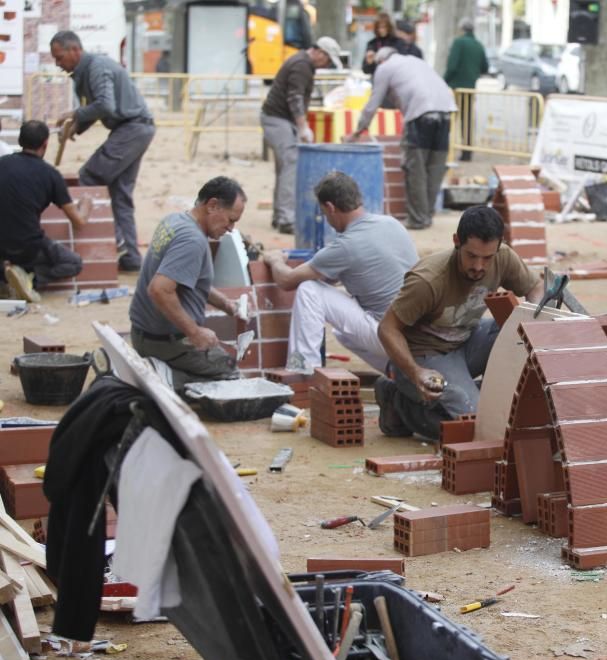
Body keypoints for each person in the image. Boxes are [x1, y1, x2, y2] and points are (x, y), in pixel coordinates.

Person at [375, 206, 545, 441]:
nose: (479, 266)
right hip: (426, 355)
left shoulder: (503, 256)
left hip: (467, 340)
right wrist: (416, 373)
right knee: (477, 424)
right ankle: (398, 402)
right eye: (471, 256)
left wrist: (536, 317)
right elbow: (387, 328)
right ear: (456, 241)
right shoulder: (428, 280)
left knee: (517, 331)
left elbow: (535, 287)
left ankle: (482, 393)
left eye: (487, 258)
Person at [261, 171, 418, 374]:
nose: (327, 220)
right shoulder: (391, 224)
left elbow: (286, 280)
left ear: (330, 207)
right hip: (418, 333)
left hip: (390, 335)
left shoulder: (345, 246)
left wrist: (274, 259)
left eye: (325, 214)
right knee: (342, 332)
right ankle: (396, 370)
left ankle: (303, 370)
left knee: (310, 290)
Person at [50, 30, 155, 272]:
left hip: (132, 128)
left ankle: (117, 241)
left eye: (59, 57)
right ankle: (130, 257)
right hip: (133, 129)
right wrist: (77, 127)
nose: (58, 64)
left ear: (75, 50)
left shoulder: (97, 67)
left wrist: (75, 115)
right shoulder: (80, 73)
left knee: (90, 175)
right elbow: (96, 108)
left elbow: (106, 105)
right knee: (120, 194)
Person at [129, 177, 247, 391]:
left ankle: (160, 371)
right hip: (165, 342)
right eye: (230, 220)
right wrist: (195, 332)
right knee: (230, 374)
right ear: (212, 206)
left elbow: (186, 278)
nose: (231, 228)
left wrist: (226, 304)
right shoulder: (193, 241)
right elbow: (159, 290)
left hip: (143, 334)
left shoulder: (174, 221)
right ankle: (164, 377)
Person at [348, 48, 457, 230]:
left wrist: (358, 130)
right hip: (445, 112)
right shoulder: (415, 61)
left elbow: (373, 103)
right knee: (435, 167)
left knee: (416, 168)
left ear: (380, 60)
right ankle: (427, 214)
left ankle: (418, 219)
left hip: (420, 115)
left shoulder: (385, 68)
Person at [0, 121, 92, 302]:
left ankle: (6, 278)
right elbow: (78, 222)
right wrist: (86, 204)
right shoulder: (51, 175)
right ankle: (29, 280)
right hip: (30, 246)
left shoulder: (2, 164)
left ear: (19, 141)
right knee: (73, 263)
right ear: (45, 144)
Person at [260, 37, 341, 236]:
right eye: (328, 60)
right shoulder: (302, 65)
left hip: (277, 119)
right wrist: (303, 127)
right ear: (320, 53)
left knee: (284, 167)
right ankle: (286, 218)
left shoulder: (302, 63)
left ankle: (280, 215)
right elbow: (294, 98)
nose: (327, 64)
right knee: (291, 164)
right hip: (277, 119)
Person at [444, 17, 489, 162]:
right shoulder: (478, 45)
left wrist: (443, 81)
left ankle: (443, 148)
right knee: (467, 121)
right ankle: (467, 151)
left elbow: (452, 66)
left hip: (456, 88)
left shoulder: (459, 43)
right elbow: (485, 67)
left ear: (461, 29)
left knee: (448, 119)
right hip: (470, 89)